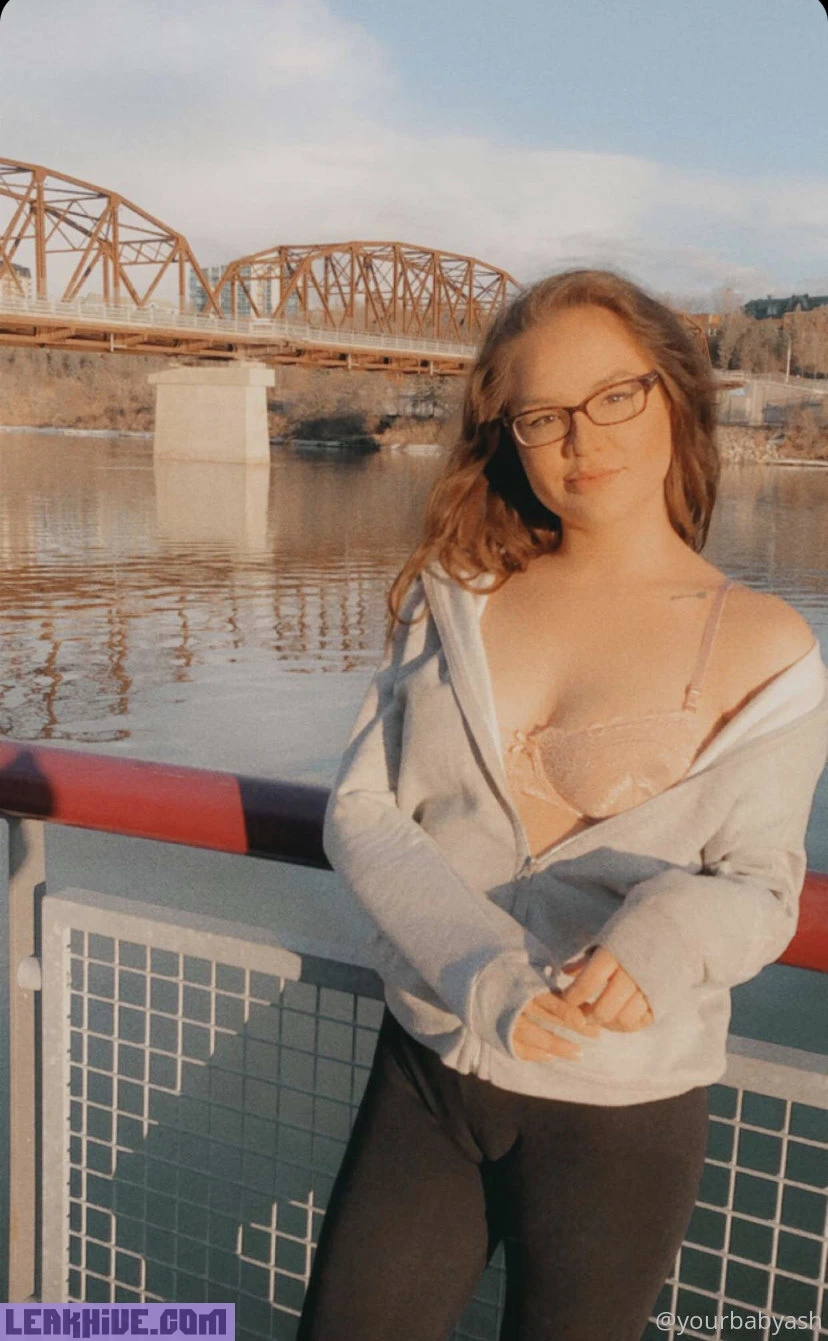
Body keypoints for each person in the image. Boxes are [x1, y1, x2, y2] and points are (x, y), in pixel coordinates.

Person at [296, 270, 828, 1341]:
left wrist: (667, 934)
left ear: (674, 395)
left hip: (618, 1113)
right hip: (430, 1062)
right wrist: (476, 963)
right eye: (542, 416)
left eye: (615, 396)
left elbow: (762, 883)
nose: (583, 439)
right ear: (509, 437)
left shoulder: (765, 644)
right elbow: (362, 811)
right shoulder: (457, 591)